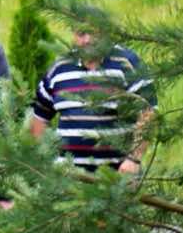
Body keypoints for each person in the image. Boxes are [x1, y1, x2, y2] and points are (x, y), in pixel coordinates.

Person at [30, 30, 157, 175]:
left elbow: (148, 113)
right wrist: (45, 160)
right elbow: (39, 118)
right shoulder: (59, 68)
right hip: (68, 180)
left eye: (93, 33)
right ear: (73, 34)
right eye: (81, 34)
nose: (87, 40)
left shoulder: (127, 63)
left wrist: (133, 160)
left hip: (117, 179)